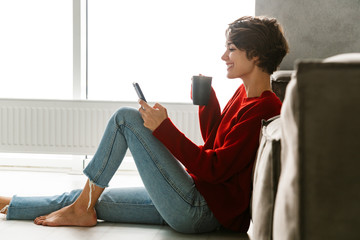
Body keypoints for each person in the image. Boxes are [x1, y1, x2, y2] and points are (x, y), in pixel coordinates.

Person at [0, 16, 289, 233]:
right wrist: (207, 102)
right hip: (197, 196)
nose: (224, 57)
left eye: (231, 49)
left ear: (255, 54)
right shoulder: (245, 95)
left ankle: (80, 209)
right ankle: (10, 204)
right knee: (92, 196)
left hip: (201, 210)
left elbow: (213, 168)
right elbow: (217, 145)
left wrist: (164, 128)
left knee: (126, 118)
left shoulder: (264, 107)